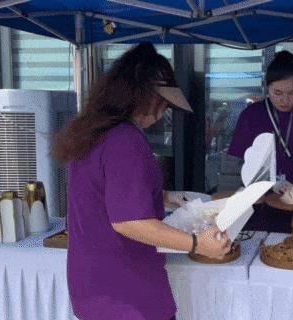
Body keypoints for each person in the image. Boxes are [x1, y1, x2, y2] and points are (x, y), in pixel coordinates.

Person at [55, 42, 231, 320]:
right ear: (143, 94)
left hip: (92, 287)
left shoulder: (92, 132)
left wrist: (166, 196)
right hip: (127, 294)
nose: (164, 113)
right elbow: (128, 221)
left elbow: (104, 195)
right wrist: (198, 243)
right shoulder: (125, 140)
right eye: (164, 104)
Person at [227, 50, 293, 233]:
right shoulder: (252, 115)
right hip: (260, 207)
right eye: (277, 93)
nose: (285, 100)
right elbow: (237, 161)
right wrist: (266, 181)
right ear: (267, 88)